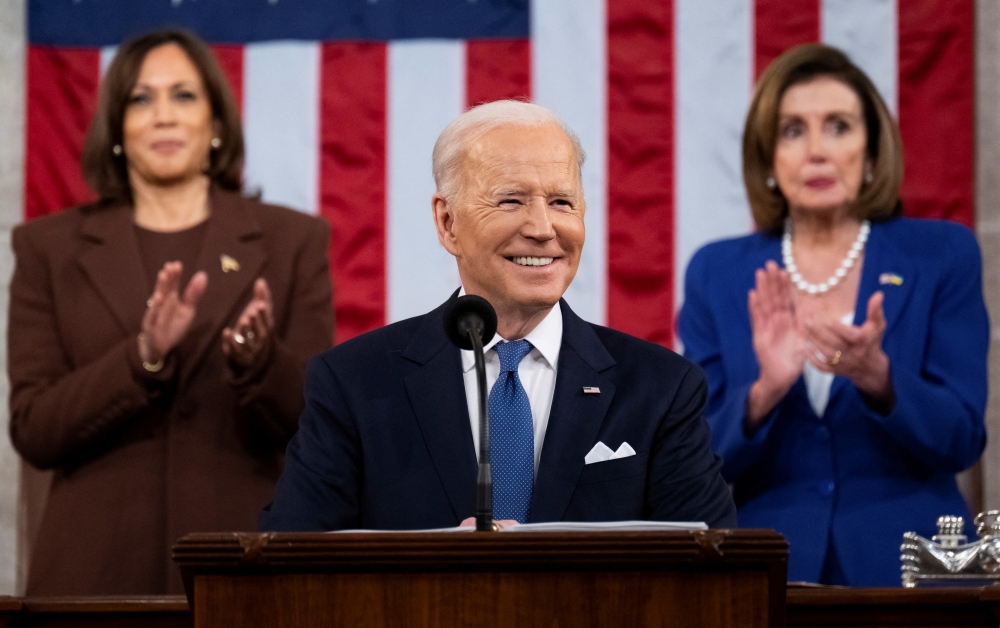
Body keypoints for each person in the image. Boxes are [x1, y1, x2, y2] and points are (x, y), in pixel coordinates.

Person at [259, 100, 736, 531]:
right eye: (511, 200)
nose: (543, 228)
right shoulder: (354, 384)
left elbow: (716, 572)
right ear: (448, 223)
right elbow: (288, 561)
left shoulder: (660, 388)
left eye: (561, 202)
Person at [8, 29, 334, 595]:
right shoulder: (49, 249)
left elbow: (320, 424)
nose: (163, 115)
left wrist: (260, 362)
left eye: (183, 96)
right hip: (93, 578)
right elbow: (35, 430)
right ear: (116, 127)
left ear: (214, 122)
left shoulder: (292, 241)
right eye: (141, 98)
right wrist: (141, 359)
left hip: (245, 569)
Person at [677, 44, 988, 586]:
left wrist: (880, 378)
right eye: (793, 131)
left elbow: (961, 439)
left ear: (872, 152)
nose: (816, 150)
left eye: (838, 126)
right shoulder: (717, 272)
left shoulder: (941, 254)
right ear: (769, 158)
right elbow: (694, 459)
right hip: (766, 572)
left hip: (916, 572)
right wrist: (763, 393)